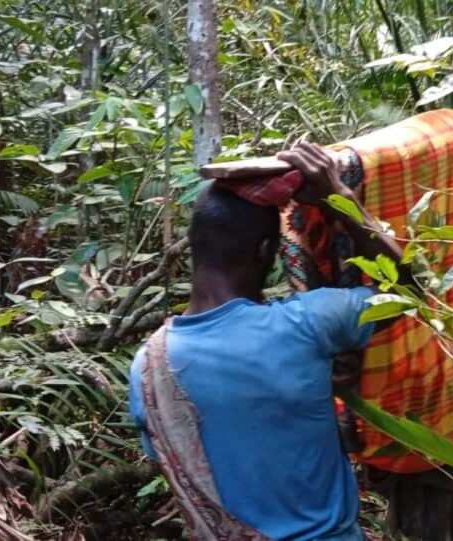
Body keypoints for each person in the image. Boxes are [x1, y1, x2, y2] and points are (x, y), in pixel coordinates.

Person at [128, 143, 409, 540]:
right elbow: (407, 291)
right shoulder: (305, 324)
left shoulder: (147, 367)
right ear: (265, 252)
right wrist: (340, 198)